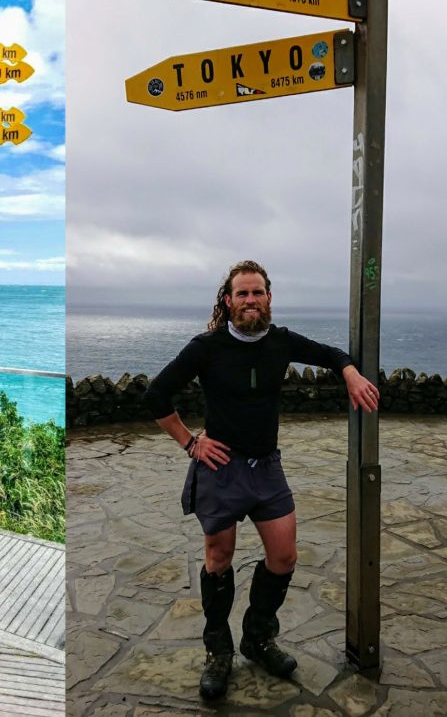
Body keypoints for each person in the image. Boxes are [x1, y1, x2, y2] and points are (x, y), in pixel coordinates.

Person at [144, 260, 379, 700]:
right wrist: (190, 443)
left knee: (285, 556)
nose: (250, 301)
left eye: (258, 293)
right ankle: (218, 652)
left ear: (269, 298)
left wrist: (348, 371)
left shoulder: (281, 342)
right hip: (220, 467)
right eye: (242, 294)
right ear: (229, 300)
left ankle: (258, 637)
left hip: (267, 466)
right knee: (219, 558)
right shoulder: (206, 347)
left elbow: (331, 355)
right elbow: (156, 393)